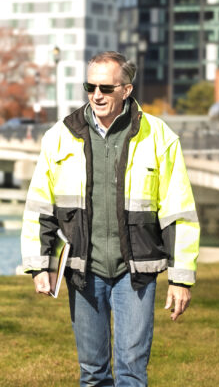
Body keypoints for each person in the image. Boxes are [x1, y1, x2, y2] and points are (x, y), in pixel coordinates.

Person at [20, 51, 200, 386]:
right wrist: (39, 265)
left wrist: (181, 278)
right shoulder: (60, 135)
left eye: (105, 87)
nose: (96, 94)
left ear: (126, 90)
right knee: (92, 373)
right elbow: (39, 207)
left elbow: (179, 212)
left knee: (132, 371)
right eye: (90, 86)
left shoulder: (159, 136)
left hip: (136, 274)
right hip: (83, 272)